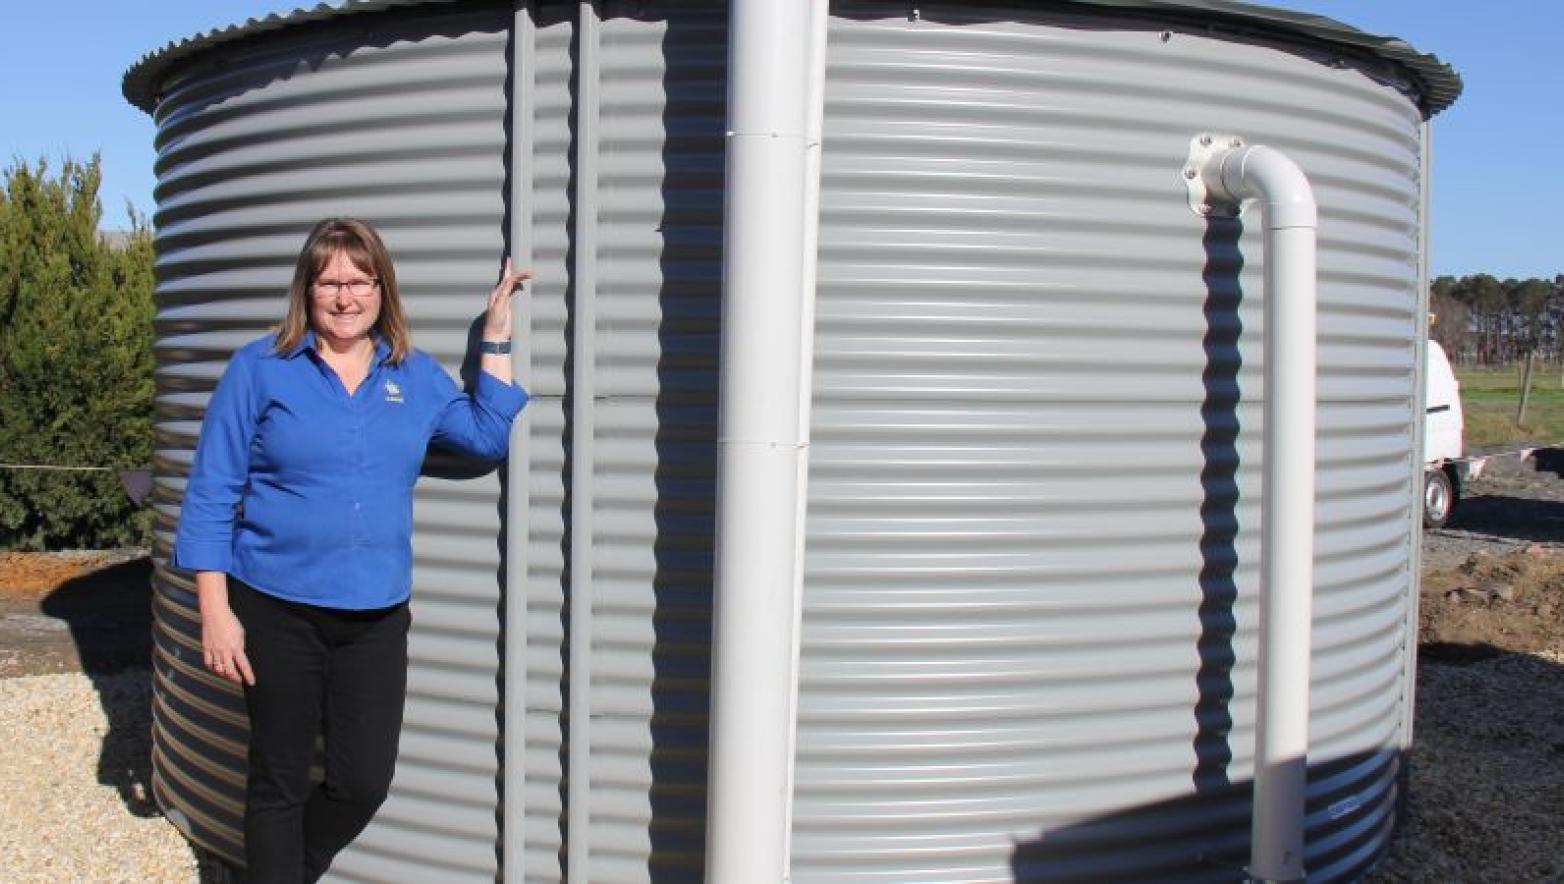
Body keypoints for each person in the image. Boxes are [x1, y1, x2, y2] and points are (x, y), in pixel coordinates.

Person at [172, 217, 530, 882]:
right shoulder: (261, 369)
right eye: (329, 282)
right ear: (306, 292)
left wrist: (497, 332)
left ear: (382, 290)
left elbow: (484, 438)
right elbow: (211, 494)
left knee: (363, 781)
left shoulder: (413, 377)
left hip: (374, 617)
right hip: (272, 608)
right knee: (276, 777)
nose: (344, 296)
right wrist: (215, 611)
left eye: (359, 281)